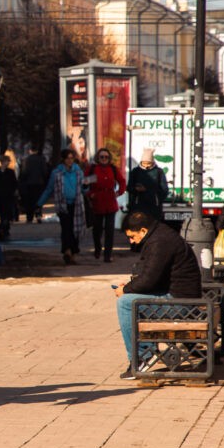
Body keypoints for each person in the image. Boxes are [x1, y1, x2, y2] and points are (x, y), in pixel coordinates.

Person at [114, 211, 201, 378]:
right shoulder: (160, 235)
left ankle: (141, 357)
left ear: (143, 231)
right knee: (131, 298)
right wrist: (131, 286)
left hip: (181, 303)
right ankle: (146, 351)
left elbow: (148, 280)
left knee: (125, 303)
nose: (132, 241)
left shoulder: (159, 242)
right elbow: (152, 277)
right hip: (182, 297)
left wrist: (125, 290)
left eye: (132, 237)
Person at [36, 148, 86, 264]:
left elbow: (83, 188)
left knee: (76, 230)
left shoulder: (78, 172)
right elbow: (49, 189)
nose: (70, 160)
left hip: (77, 205)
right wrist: (39, 203)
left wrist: (87, 187)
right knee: (66, 229)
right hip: (62, 205)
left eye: (72, 158)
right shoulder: (57, 173)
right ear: (63, 159)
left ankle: (73, 253)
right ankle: (67, 251)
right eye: (67, 158)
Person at [85, 148, 126, 262]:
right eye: (102, 157)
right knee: (97, 229)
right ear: (98, 158)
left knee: (110, 231)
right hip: (97, 202)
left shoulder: (113, 169)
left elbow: (122, 181)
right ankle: (98, 248)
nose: (104, 159)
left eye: (106, 157)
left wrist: (119, 192)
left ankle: (108, 255)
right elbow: (85, 184)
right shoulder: (93, 169)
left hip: (110, 202)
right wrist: (90, 194)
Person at [128, 147, 168, 222]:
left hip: (154, 206)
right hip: (138, 206)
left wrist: (157, 199)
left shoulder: (159, 172)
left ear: (152, 162)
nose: (146, 165)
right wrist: (136, 189)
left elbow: (164, 189)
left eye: (148, 163)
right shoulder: (135, 172)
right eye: (144, 163)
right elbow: (129, 187)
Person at [19, 145, 49, 224]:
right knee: (39, 200)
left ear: (30, 151)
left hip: (29, 184)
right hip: (39, 183)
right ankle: (38, 215)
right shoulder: (42, 159)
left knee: (29, 201)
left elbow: (24, 172)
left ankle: (29, 217)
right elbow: (45, 172)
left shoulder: (27, 160)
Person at [0, 155, 18, 240]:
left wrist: (14, 192)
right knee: (2, 214)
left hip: (8, 196)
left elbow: (14, 183)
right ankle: (3, 228)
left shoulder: (10, 172)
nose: (8, 163)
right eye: (7, 161)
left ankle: (3, 229)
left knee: (6, 214)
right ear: (2, 162)